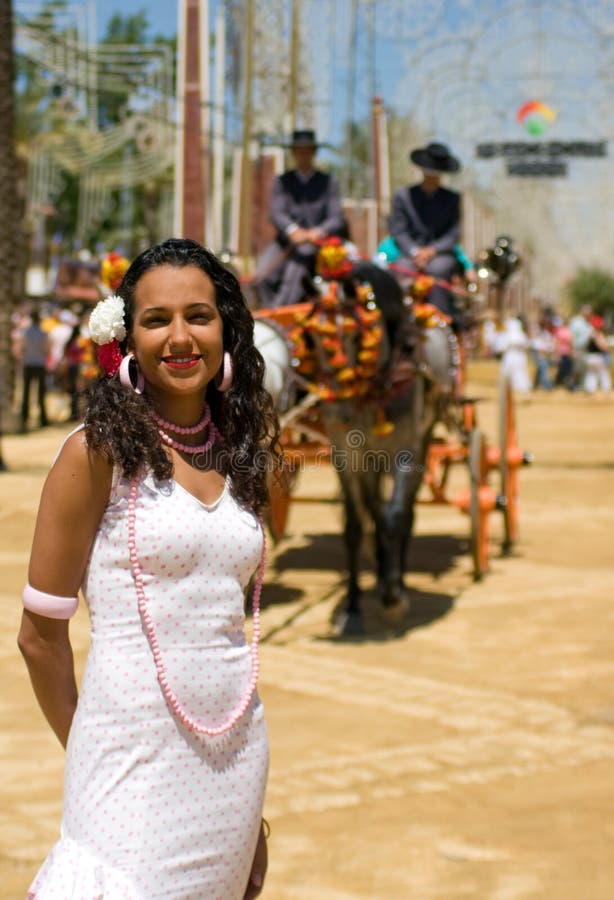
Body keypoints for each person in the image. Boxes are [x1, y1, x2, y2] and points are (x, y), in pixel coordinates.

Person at [18, 238, 281, 899]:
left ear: (227, 326)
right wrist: (89, 752)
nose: (181, 337)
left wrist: (256, 820)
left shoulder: (243, 453)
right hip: (126, 761)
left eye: (199, 315)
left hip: (236, 758)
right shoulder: (96, 452)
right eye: (157, 319)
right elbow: (38, 636)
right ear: (126, 337)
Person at [255, 128, 345, 307]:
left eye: (307, 150)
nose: (303, 155)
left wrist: (317, 232)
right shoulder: (283, 181)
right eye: (299, 151)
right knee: (261, 277)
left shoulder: (328, 182)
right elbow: (276, 212)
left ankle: (282, 312)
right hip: (286, 242)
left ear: (313, 152)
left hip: (320, 245)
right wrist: (293, 230)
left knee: (299, 265)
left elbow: (336, 217)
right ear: (293, 153)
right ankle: (269, 312)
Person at [389, 141, 462, 317]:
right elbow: (398, 230)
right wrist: (415, 252)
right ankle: (400, 319)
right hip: (409, 254)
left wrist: (431, 251)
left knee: (437, 271)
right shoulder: (403, 196)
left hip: (439, 255)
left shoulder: (452, 199)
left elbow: (453, 234)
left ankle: (439, 319)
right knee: (399, 270)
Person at [19, 308, 50, 431]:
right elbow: (46, 349)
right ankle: (43, 418)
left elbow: (22, 348)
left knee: (26, 392)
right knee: (41, 393)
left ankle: (24, 417)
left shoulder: (26, 332)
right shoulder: (43, 333)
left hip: (29, 363)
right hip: (40, 364)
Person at [584, 314, 612, 393]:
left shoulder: (589, 333)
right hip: (598, 357)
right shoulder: (597, 334)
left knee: (591, 374)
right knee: (603, 373)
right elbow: (603, 346)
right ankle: (606, 389)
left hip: (589, 357)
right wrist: (607, 349)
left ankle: (590, 390)